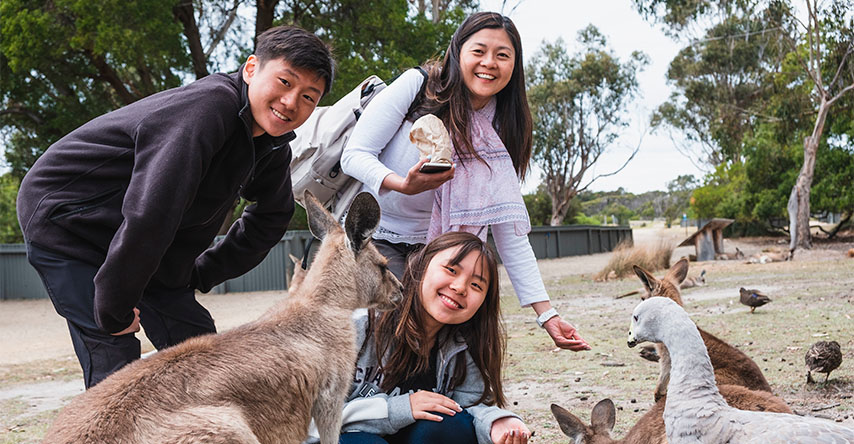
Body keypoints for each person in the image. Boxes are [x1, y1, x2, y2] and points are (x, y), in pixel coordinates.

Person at [16, 25, 334, 388]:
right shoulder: (207, 109)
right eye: (285, 82)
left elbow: (271, 218)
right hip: (68, 220)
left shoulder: (273, 148)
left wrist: (199, 272)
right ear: (251, 69)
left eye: (309, 97)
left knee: (200, 353)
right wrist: (115, 305)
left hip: (141, 239)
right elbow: (153, 209)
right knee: (116, 357)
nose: (291, 102)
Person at [340, 12, 590, 352]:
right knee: (389, 336)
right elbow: (355, 154)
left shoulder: (502, 127)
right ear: (458, 51)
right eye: (479, 51)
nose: (489, 63)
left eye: (503, 55)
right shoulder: (419, 86)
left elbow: (507, 231)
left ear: (515, 65)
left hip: (445, 255)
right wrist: (401, 184)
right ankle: (386, 406)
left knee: (455, 343)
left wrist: (547, 314)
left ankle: (448, 403)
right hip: (379, 239)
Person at [312, 231, 529, 444]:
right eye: (451, 270)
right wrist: (401, 408)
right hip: (346, 436)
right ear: (421, 264)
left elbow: (470, 406)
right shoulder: (356, 326)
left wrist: (497, 423)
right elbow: (311, 418)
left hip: (412, 437)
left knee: (447, 425)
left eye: (476, 285)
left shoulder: (463, 345)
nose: (460, 287)